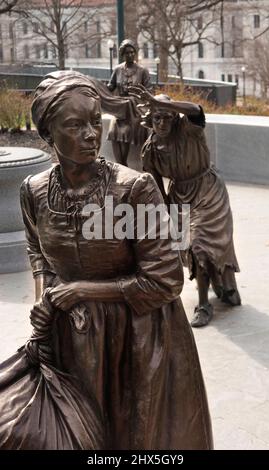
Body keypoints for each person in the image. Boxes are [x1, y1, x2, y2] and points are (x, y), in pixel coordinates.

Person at [20, 70, 213, 449]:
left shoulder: (134, 189)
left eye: (96, 121)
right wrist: (44, 297)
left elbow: (166, 281)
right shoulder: (33, 190)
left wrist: (80, 291)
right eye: (75, 126)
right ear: (47, 135)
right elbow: (38, 253)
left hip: (137, 338)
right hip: (71, 338)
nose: (92, 135)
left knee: (131, 438)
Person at [129, 84, 241, 328]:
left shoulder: (188, 128)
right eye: (157, 117)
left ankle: (205, 303)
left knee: (203, 244)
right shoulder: (150, 150)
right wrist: (165, 212)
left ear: (174, 115)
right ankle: (214, 291)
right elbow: (156, 186)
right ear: (150, 119)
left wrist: (162, 103)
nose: (162, 122)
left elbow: (196, 109)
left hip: (208, 190)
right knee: (190, 248)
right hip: (180, 196)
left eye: (167, 116)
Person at [107, 39, 152, 167]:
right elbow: (110, 87)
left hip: (135, 109)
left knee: (126, 133)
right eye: (127, 53)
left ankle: (121, 166)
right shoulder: (117, 70)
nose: (130, 55)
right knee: (113, 133)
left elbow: (149, 91)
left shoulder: (142, 71)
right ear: (122, 54)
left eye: (132, 52)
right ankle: (120, 165)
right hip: (120, 108)